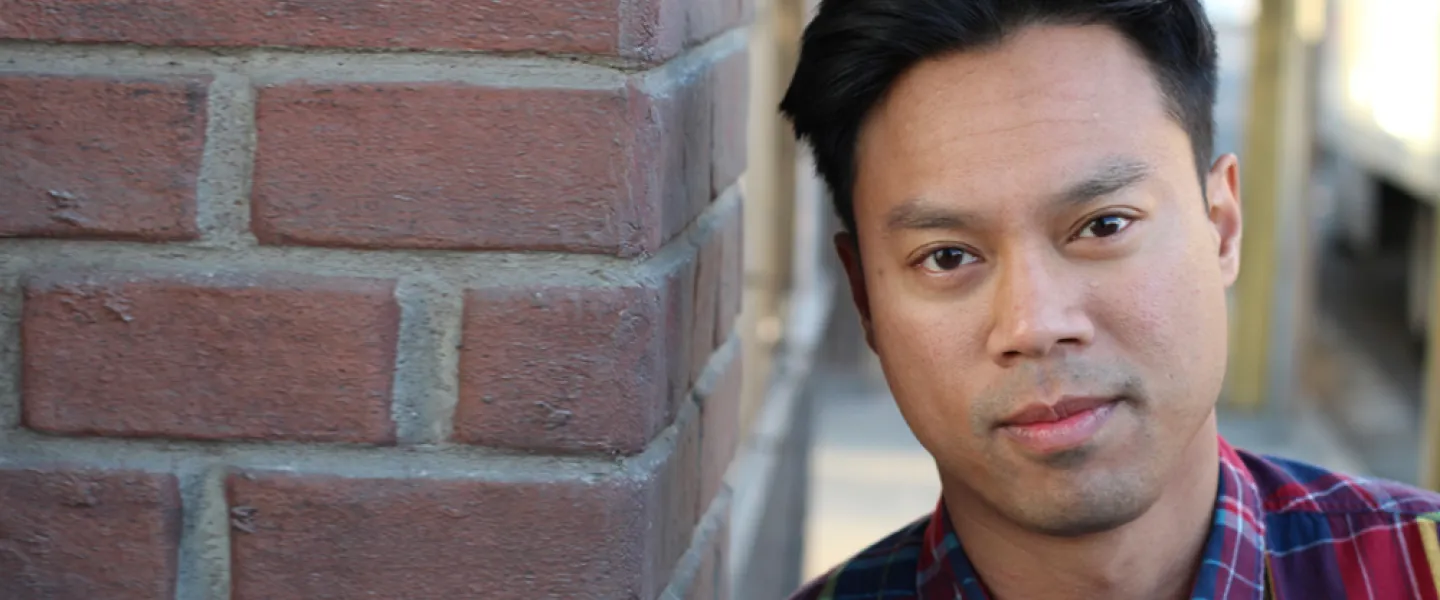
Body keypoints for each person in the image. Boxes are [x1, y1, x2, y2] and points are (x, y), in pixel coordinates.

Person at [779, 1, 1440, 598]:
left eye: (1104, 225)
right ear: (865, 298)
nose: (1036, 324)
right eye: (948, 256)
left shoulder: (1420, 570)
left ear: (1223, 225)